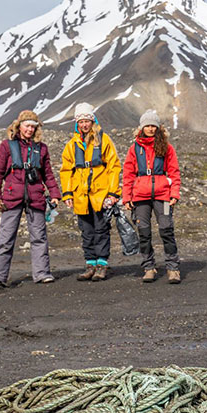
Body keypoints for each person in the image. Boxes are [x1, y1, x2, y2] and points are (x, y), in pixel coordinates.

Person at [0, 110, 61, 286]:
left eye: (33, 127)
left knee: (39, 237)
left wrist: (55, 194)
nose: (30, 130)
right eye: (27, 126)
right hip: (12, 197)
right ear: (19, 126)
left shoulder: (42, 148)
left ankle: (42, 273)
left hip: (36, 198)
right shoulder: (7, 146)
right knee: (6, 237)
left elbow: (48, 174)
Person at [60, 103, 122, 281]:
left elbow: (113, 167)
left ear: (92, 120)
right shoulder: (72, 145)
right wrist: (68, 194)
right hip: (81, 195)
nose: (85, 124)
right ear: (77, 124)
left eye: (87, 120)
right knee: (86, 231)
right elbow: (66, 171)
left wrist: (113, 193)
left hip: (100, 195)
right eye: (81, 121)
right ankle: (90, 264)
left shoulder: (104, 140)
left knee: (101, 230)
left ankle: (102, 265)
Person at [122, 109, 182, 283]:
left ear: (158, 128)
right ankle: (149, 267)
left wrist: (174, 193)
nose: (150, 129)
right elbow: (128, 174)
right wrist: (127, 197)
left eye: (153, 126)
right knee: (144, 232)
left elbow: (174, 172)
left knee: (166, 229)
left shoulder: (167, 147)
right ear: (141, 127)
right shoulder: (134, 149)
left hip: (163, 195)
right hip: (140, 197)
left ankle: (173, 268)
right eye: (147, 126)